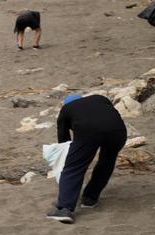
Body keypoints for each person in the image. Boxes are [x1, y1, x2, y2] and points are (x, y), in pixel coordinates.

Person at [46, 93, 128, 224]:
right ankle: (90, 198)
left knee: (73, 167)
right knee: (107, 162)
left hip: (88, 132)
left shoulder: (66, 109)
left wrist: (68, 156)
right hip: (118, 131)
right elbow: (109, 115)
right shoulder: (100, 98)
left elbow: (63, 139)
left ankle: (64, 208)